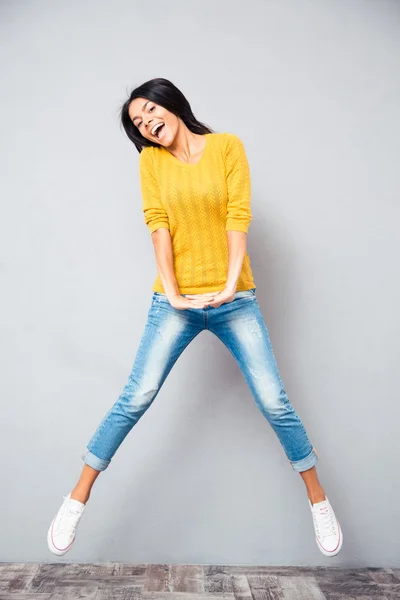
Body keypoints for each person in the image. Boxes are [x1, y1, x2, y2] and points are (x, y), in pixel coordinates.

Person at [47, 77, 342, 558]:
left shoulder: (227, 147)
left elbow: (237, 216)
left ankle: (319, 500)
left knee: (274, 401)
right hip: (176, 304)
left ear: (171, 104)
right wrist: (176, 294)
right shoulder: (150, 162)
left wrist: (230, 285)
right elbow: (158, 224)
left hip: (235, 299)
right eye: (138, 123)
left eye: (149, 112)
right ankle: (76, 498)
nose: (147, 124)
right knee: (136, 395)